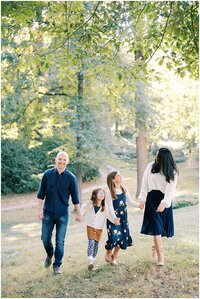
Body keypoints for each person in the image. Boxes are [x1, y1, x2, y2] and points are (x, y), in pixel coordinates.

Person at [37, 151, 81, 275]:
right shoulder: (47, 175)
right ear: (56, 160)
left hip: (62, 214)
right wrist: (39, 210)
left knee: (60, 241)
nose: (61, 161)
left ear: (67, 162)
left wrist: (78, 213)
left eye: (64, 160)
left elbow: (75, 198)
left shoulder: (71, 178)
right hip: (48, 213)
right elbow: (40, 194)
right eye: (59, 159)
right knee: (45, 238)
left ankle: (57, 266)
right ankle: (49, 255)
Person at [138, 147, 178, 266]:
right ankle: (161, 258)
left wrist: (164, 204)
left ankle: (154, 248)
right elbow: (144, 183)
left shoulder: (172, 171)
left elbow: (171, 189)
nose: (155, 157)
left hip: (164, 200)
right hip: (151, 200)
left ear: (164, 158)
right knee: (156, 229)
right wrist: (142, 200)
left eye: (158, 155)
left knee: (159, 229)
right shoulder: (151, 166)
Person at [105, 171, 139, 265]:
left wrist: (139, 205)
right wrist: (115, 218)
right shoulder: (109, 192)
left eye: (120, 175)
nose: (120, 176)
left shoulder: (124, 189)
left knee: (122, 238)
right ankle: (108, 251)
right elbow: (110, 207)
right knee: (113, 238)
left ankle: (114, 258)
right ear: (113, 179)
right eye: (118, 176)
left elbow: (130, 202)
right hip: (113, 218)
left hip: (123, 218)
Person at [80, 188, 119, 270]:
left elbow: (108, 216)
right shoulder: (91, 204)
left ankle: (92, 260)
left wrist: (114, 221)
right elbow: (83, 208)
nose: (102, 195)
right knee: (91, 241)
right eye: (100, 193)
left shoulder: (104, 207)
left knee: (96, 243)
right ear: (94, 195)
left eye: (103, 193)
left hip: (99, 228)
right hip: (90, 226)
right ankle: (90, 258)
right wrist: (80, 214)